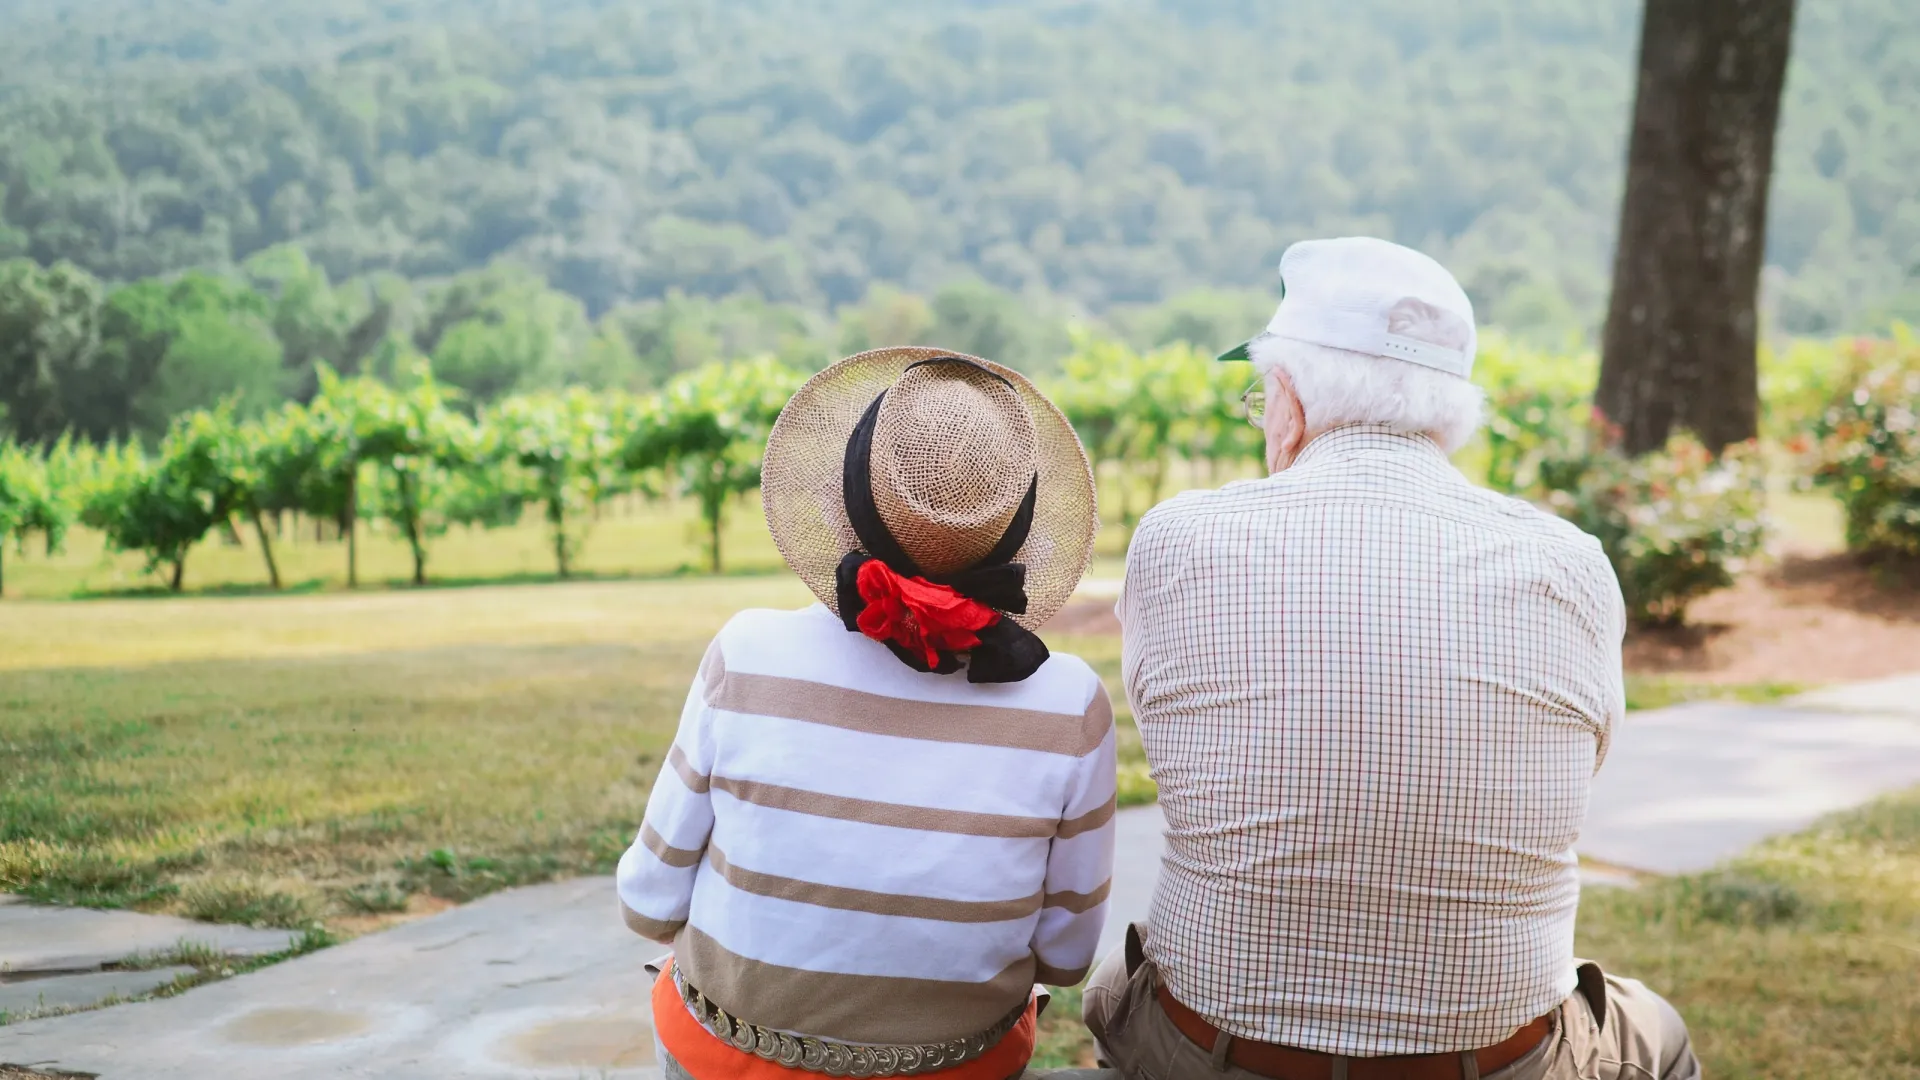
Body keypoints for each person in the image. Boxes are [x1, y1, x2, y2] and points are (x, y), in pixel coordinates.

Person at [1085, 237, 1701, 1080]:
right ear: (1450, 410)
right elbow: (1581, 765)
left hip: (1219, 1053)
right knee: (1654, 1028)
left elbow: (1178, 745)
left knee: (1120, 982)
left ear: (1289, 400)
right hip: (1498, 1059)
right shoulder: (1572, 564)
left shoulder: (1178, 541)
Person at [617, 347, 1118, 1080]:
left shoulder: (748, 652)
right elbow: (1068, 959)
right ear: (1017, 532)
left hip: (729, 1059)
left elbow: (649, 900)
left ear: (840, 502)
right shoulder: (1070, 704)